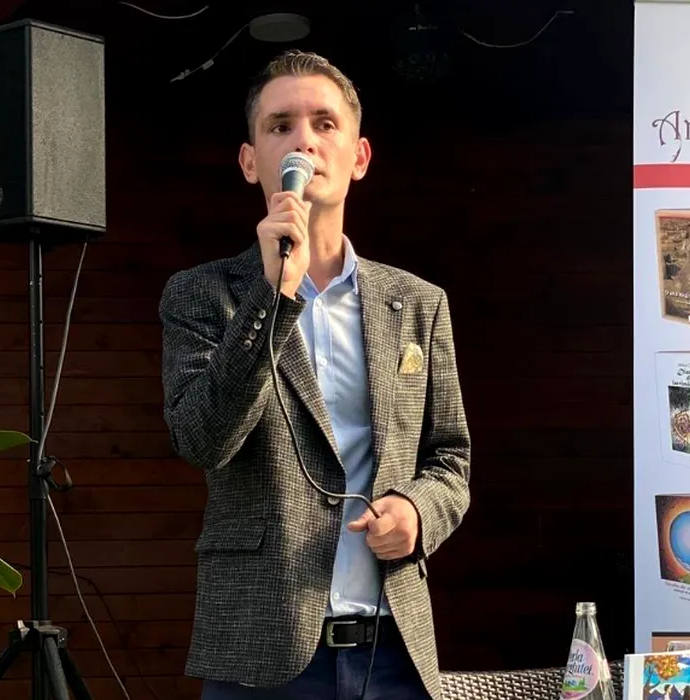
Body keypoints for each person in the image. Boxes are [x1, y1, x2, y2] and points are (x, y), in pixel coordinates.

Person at [158, 49, 472, 700]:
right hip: (259, 656)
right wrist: (271, 295)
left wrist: (417, 512)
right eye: (280, 125)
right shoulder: (201, 294)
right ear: (251, 162)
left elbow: (451, 459)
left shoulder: (418, 303)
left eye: (325, 124)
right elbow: (202, 439)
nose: (303, 139)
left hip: (392, 652)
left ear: (359, 156)